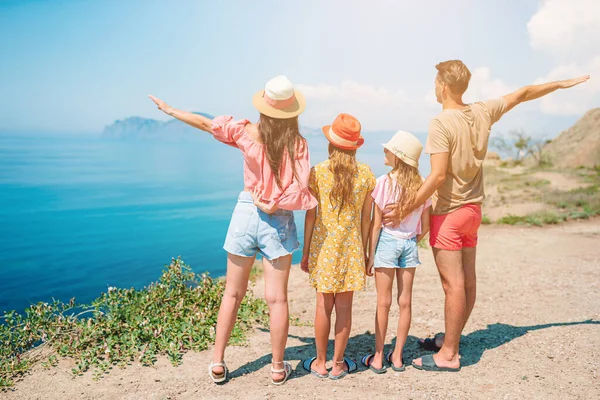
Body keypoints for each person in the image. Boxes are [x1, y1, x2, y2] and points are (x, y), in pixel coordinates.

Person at [383, 60, 589, 372]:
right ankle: (449, 339)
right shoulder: (482, 110)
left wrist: (407, 206)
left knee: (453, 285)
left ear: (445, 86)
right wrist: (560, 84)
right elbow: (522, 94)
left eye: (436, 81)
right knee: (467, 282)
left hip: (450, 214)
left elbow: (437, 176)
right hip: (473, 212)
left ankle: (449, 354)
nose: (434, 86)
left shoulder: (440, 123)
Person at [148, 75, 317, 385]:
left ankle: (217, 362)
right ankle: (278, 368)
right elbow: (301, 187)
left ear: (264, 107)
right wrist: (274, 202)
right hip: (277, 220)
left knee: (232, 293)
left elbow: (204, 123)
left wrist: (171, 110)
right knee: (277, 299)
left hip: (245, 213)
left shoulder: (244, 131)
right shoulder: (298, 144)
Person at [300, 113, 375, 380]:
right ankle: (338, 363)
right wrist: (367, 253)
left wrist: (306, 251)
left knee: (323, 306)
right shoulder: (365, 174)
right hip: (352, 249)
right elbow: (366, 218)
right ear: (355, 147)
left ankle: (320, 363)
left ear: (331, 143)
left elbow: (311, 215)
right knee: (344, 309)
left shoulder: (317, 173)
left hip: (323, 248)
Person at [361, 131, 431, 374]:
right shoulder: (422, 187)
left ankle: (379, 357)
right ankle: (398, 357)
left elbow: (376, 224)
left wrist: (370, 256)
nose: (384, 151)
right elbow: (427, 223)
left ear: (399, 157)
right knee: (405, 302)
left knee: (383, 303)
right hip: (409, 244)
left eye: (388, 149)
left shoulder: (383, 183)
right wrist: (412, 238)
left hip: (387, 244)